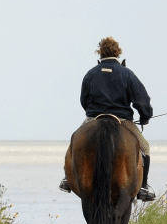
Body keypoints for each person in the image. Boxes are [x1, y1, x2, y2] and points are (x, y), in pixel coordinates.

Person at [59, 36, 156, 202]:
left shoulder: (91, 73)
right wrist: (145, 116)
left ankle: (68, 179)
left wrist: (93, 113)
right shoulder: (127, 73)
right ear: (118, 53)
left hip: (94, 118)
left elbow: (84, 100)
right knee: (145, 147)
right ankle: (143, 186)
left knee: (75, 139)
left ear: (100, 53)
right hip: (122, 120)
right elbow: (142, 100)